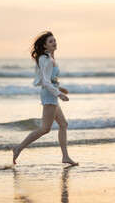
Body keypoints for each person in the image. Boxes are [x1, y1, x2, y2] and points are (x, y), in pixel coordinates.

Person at [12, 31, 78, 166]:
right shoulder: (45, 59)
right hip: (50, 94)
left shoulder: (50, 57)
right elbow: (45, 81)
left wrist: (60, 89)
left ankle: (65, 157)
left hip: (52, 92)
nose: (54, 43)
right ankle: (18, 147)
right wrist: (59, 94)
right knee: (45, 129)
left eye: (54, 40)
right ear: (44, 45)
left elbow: (51, 80)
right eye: (50, 41)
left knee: (63, 125)